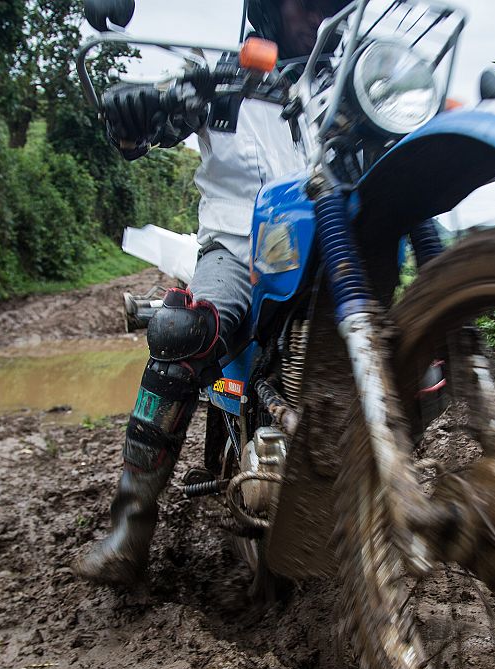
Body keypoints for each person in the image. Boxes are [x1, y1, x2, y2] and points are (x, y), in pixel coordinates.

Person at [73, 0, 346, 587]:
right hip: (242, 248)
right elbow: (144, 134)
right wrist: (136, 109)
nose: (321, 12)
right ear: (268, 8)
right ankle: (131, 527)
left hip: (332, 250)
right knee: (182, 330)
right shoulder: (221, 78)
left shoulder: (347, 83)